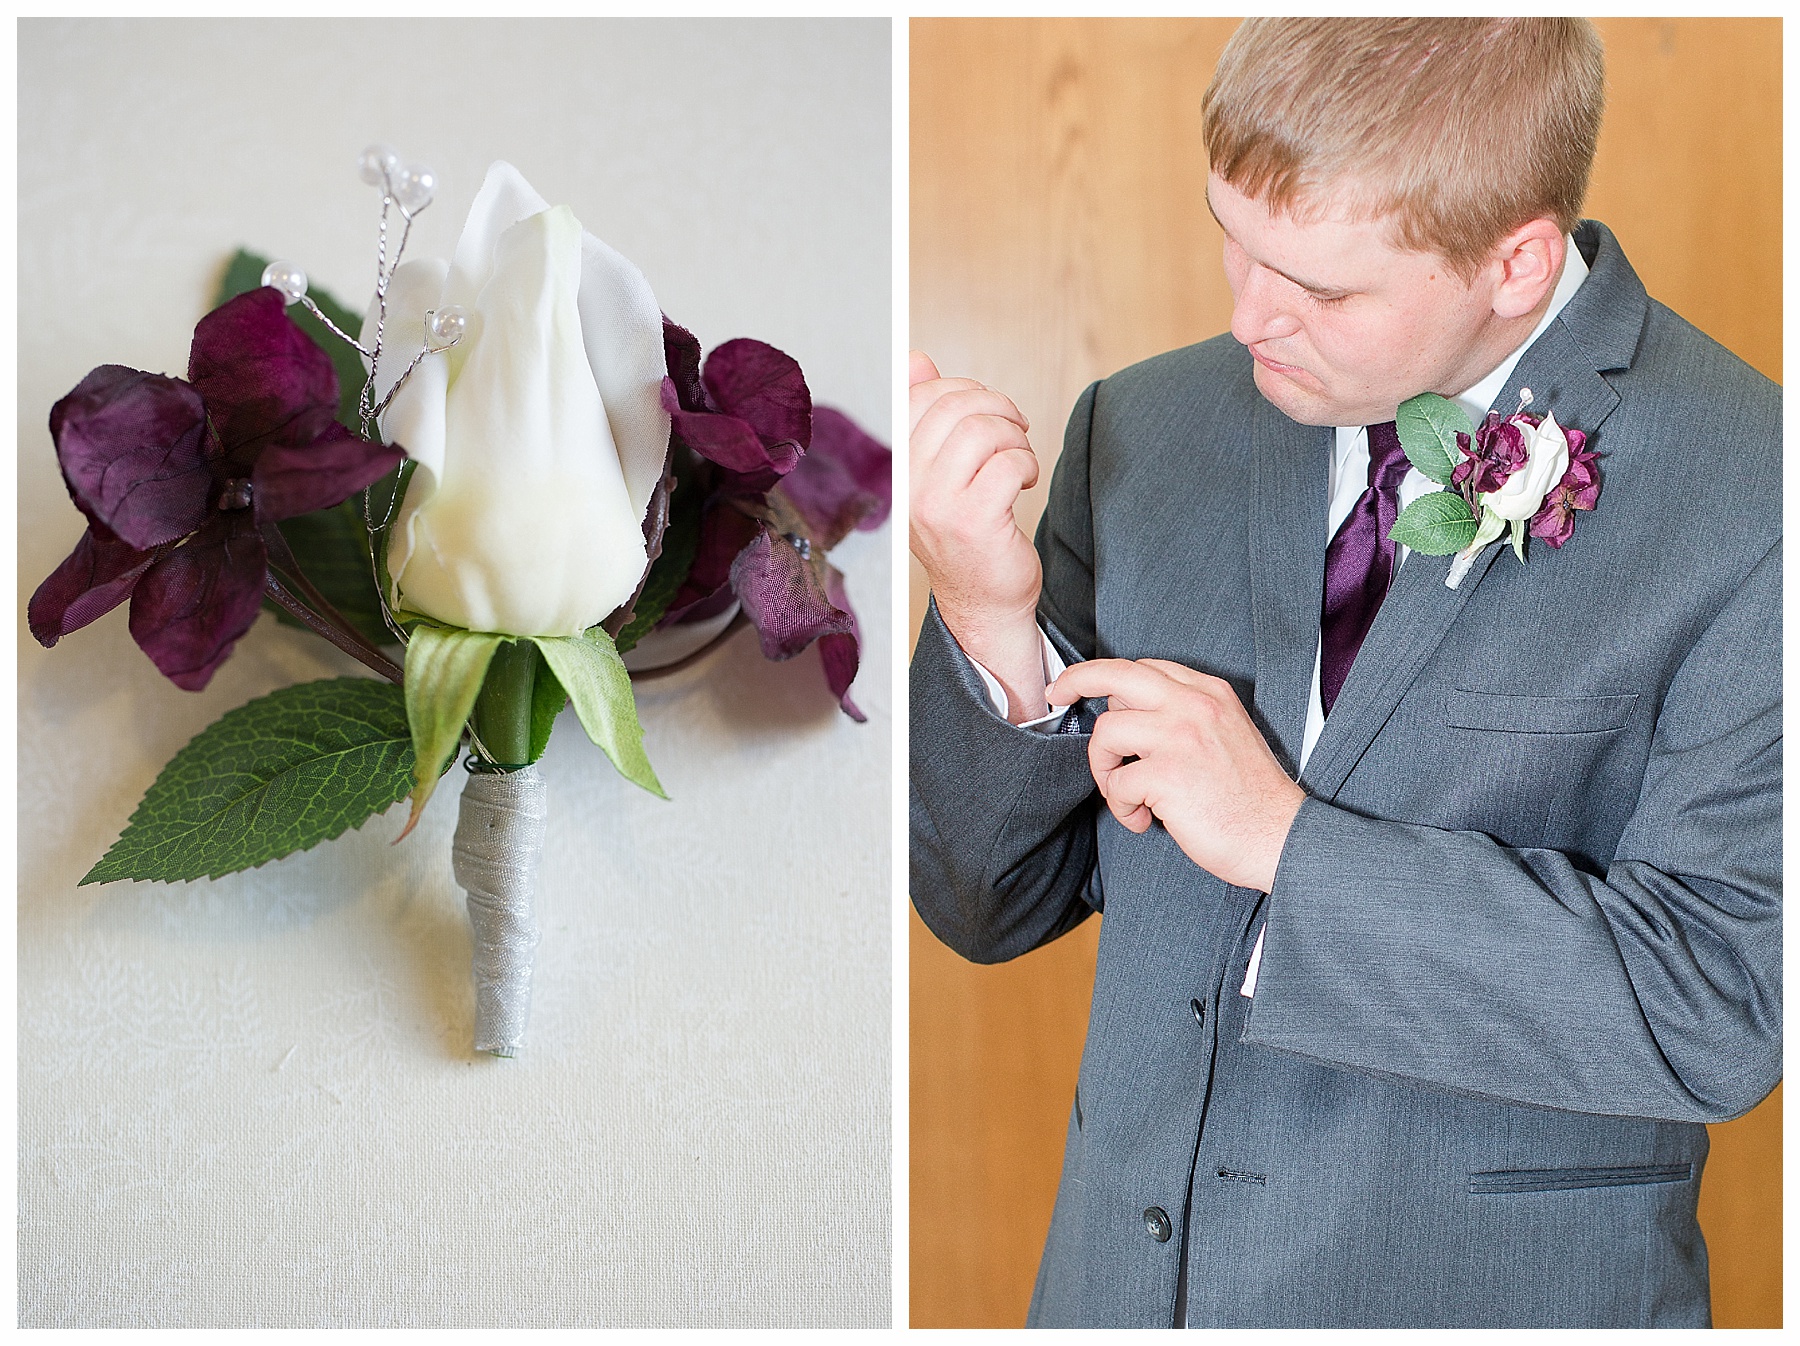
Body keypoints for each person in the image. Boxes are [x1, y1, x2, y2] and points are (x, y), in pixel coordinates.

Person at [908, 17, 1780, 1329]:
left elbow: (1713, 1003)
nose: (1249, 316)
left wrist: (1287, 841)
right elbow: (992, 905)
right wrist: (985, 615)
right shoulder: (1138, 428)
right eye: (1234, 241)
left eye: (1322, 288)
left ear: (1517, 261)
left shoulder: (1755, 489)